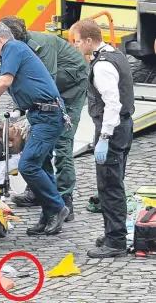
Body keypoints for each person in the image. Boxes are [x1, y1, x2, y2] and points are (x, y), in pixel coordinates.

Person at [0, 22, 71, 236]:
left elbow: (3, 83)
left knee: (28, 165)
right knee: (42, 167)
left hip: (48, 116)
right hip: (40, 115)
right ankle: (47, 217)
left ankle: (57, 207)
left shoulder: (13, 48)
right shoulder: (11, 54)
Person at [1, 16, 88, 221]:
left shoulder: (43, 47)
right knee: (41, 141)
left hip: (71, 89)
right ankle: (41, 191)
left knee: (62, 142)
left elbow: (44, 85)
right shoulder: (17, 49)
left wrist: (30, 114)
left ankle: (65, 199)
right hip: (51, 93)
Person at [70, 19, 134, 258]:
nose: (76, 45)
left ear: (89, 40)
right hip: (124, 126)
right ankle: (112, 233)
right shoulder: (114, 54)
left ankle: (115, 241)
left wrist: (104, 136)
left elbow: (112, 103)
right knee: (114, 181)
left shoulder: (102, 66)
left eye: (78, 41)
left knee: (109, 185)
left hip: (113, 130)